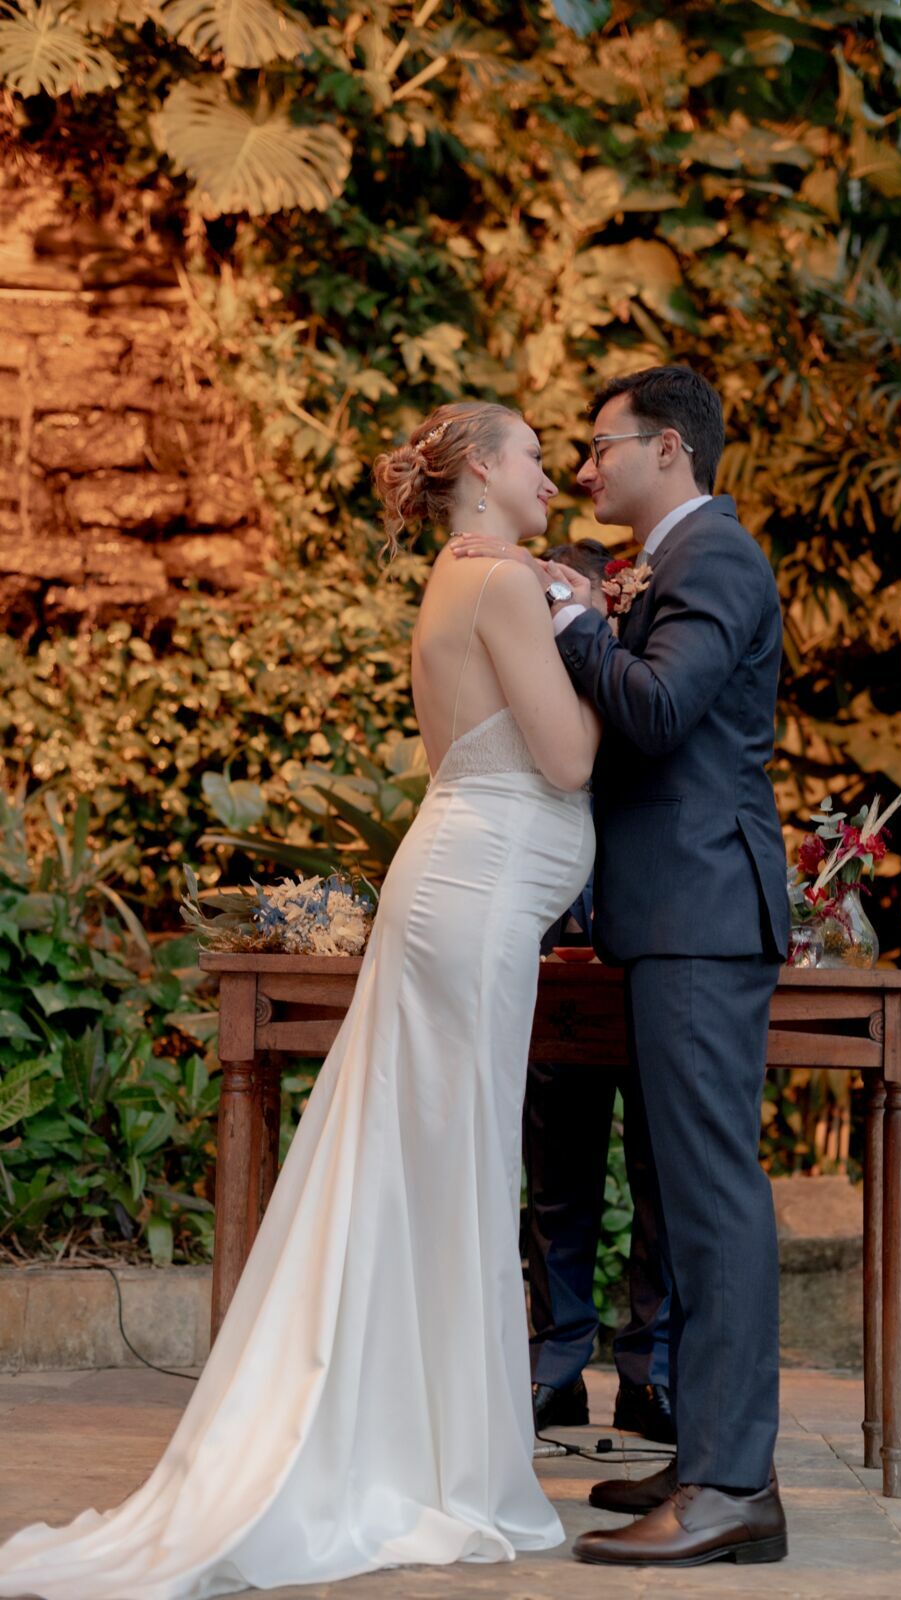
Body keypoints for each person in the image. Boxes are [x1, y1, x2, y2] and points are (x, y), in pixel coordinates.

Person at [0, 401, 601, 1599]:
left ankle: (427, 1441)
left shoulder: (462, 575)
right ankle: (430, 1462)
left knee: (431, 1171)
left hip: (461, 883)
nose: (553, 476)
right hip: (474, 895)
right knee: (452, 1173)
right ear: (484, 467)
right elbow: (573, 758)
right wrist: (591, 632)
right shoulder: (505, 589)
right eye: (536, 454)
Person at [451, 364, 790, 1569]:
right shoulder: (674, 563)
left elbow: (651, 714)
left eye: (602, 448)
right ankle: (704, 1455)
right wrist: (586, 605)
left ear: (670, 452)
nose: (585, 470)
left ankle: (733, 1486)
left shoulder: (720, 563)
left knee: (711, 1200)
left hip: (702, 912)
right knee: (676, 1197)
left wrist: (576, 620)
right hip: (669, 915)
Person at [523, 542, 674, 1444]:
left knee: (660, 1173)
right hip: (552, 955)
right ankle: (556, 1365)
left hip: (650, 947)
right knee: (555, 1177)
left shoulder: (644, 681)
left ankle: (648, 1373)